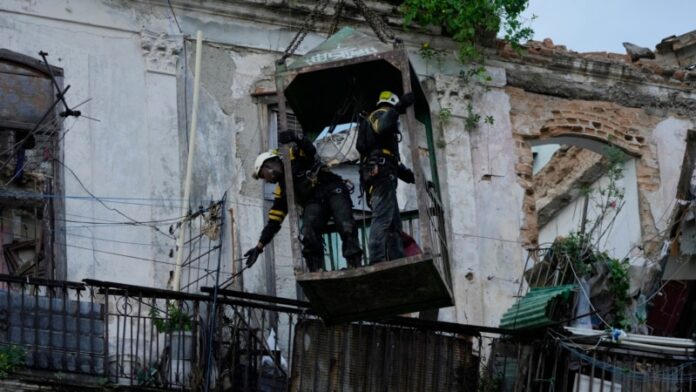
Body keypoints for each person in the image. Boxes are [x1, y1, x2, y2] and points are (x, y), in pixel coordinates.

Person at [244, 131, 363, 272]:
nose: (267, 180)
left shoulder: (293, 155)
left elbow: (309, 150)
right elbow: (274, 222)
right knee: (307, 230)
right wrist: (259, 247)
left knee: (345, 224)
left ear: (269, 165)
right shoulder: (282, 191)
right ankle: (315, 270)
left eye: (264, 175)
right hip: (314, 201)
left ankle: (354, 264)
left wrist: (296, 137)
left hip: (332, 188)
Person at [356, 90, 416, 264]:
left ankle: (397, 258)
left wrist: (416, 179)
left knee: (393, 225)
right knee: (382, 218)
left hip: (384, 172)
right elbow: (381, 126)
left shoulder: (384, 148)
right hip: (381, 174)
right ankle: (377, 259)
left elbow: (396, 165)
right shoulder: (379, 114)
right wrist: (399, 107)